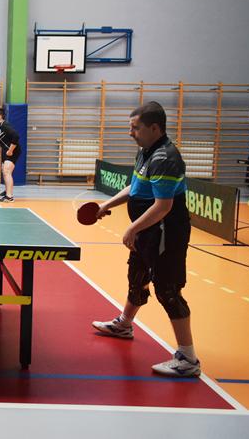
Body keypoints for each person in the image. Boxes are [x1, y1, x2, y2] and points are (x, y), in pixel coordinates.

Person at [91, 101, 200, 377]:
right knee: (137, 276)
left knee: (168, 290)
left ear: (154, 128)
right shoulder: (146, 151)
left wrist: (132, 229)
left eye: (135, 128)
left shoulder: (165, 158)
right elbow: (136, 187)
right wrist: (107, 205)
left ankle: (188, 358)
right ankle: (124, 324)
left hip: (165, 233)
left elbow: (163, 206)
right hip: (148, 230)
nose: (131, 133)